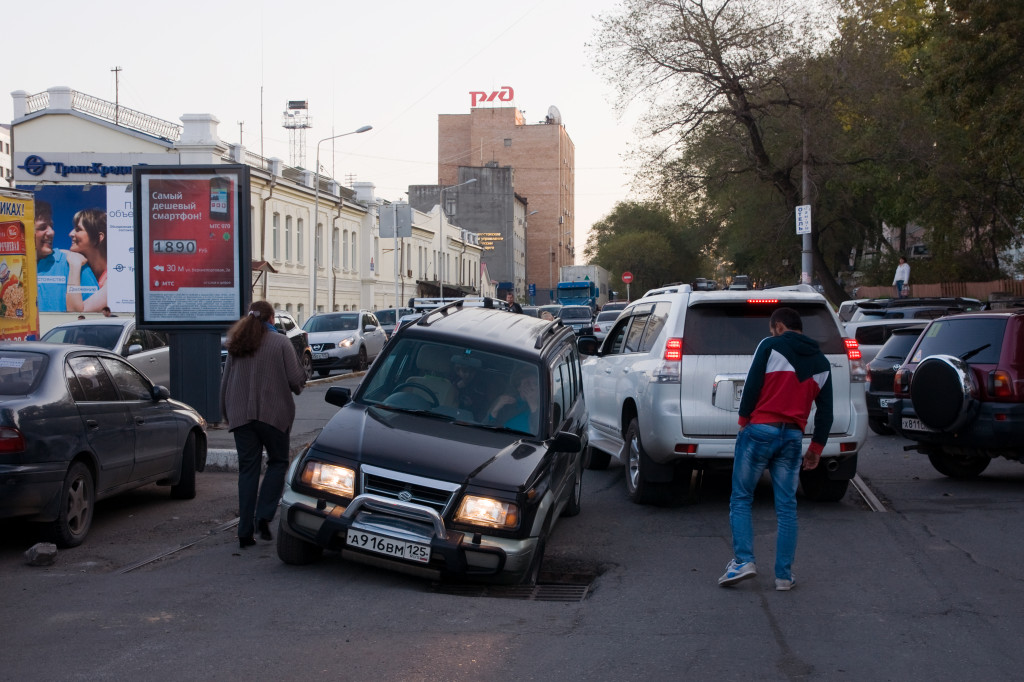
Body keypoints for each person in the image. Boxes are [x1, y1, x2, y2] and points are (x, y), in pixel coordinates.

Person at [719, 307, 833, 591]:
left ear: (779, 327)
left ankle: (743, 561)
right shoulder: (821, 362)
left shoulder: (771, 346)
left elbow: (753, 384)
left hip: (760, 430)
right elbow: (826, 412)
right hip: (792, 438)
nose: (771, 334)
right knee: (786, 507)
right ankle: (784, 575)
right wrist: (816, 448)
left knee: (742, 497)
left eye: (772, 330)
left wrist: (744, 420)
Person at [220, 300, 306, 548]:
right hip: (274, 416)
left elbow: (225, 382)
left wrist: (226, 412)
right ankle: (264, 515)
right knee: (278, 463)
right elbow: (296, 380)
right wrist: (303, 373)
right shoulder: (280, 342)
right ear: (271, 319)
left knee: (247, 471)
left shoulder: (237, 344)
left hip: (241, 417)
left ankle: (244, 531)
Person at [33, 201, 98, 312]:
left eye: (51, 226)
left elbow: (94, 317)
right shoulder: (12, 268)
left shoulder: (72, 264)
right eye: (43, 227)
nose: (51, 232)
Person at [65, 208, 107, 313]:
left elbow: (76, 313)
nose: (71, 233)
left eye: (78, 229)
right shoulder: (70, 257)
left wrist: (75, 266)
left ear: (99, 237)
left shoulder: (115, 281)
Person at [488, 364, 540, 434]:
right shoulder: (507, 405)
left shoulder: (544, 409)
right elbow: (490, 430)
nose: (530, 387)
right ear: (519, 387)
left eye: (535, 384)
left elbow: (539, 434)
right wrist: (494, 411)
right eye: (526, 384)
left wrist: (533, 405)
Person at [450, 353, 488, 419]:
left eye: (471, 371)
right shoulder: (450, 380)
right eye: (464, 371)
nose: (467, 375)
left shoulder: (480, 386)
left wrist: (470, 405)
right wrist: (456, 388)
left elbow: (482, 410)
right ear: (457, 371)